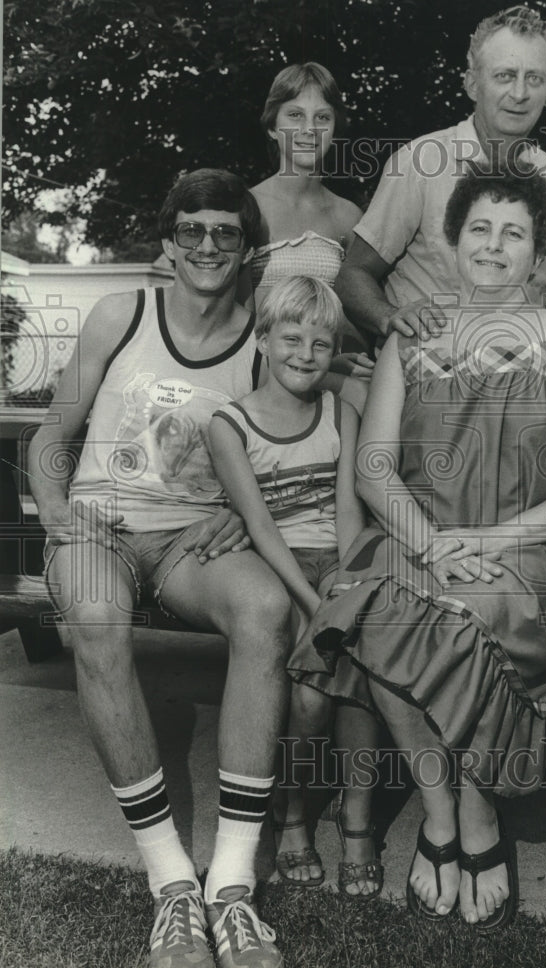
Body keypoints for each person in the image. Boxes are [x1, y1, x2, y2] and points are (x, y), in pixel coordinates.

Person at [304, 166, 546, 929]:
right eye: (479, 228)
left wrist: (485, 540)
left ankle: (475, 817)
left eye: (513, 233)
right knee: (374, 607)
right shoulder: (409, 339)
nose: (492, 245)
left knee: (457, 615)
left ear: (538, 252)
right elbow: (375, 467)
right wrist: (435, 544)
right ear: (452, 240)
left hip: (529, 553)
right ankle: (438, 809)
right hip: (418, 539)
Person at [335, 4, 546, 724]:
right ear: (469, 80)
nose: (517, 93)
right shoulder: (420, 163)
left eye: (533, 79)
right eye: (502, 75)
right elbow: (354, 271)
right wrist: (389, 322)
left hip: (532, 380)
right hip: (437, 388)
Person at [28, 169, 290, 968]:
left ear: (248, 250)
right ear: (169, 245)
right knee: (97, 623)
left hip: (188, 542)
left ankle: (232, 890)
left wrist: (238, 511)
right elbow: (49, 439)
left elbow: (288, 446)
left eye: (226, 233)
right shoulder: (122, 314)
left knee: (266, 610)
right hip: (99, 525)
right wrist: (58, 512)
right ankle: (173, 886)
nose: (208, 246)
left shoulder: (262, 340)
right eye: (193, 231)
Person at [209, 275, 383, 899]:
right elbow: (258, 525)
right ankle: (292, 816)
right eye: (291, 338)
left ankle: (358, 820)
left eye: (321, 342)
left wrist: (343, 589)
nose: (305, 354)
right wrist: (313, 606)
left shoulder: (341, 412)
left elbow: (347, 516)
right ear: (261, 337)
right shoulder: (229, 424)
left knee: (363, 673)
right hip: (278, 567)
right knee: (308, 703)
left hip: (335, 563)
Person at [243, 61, 374, 377]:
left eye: (322, 118)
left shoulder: (348, 216)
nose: (309, 130)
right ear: (273, 126)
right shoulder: (247, 208)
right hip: (254, 377)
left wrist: (331, 364)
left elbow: (356, 322)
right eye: (295, 115)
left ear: (334, 130)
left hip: (322, 377)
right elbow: (233, 320)